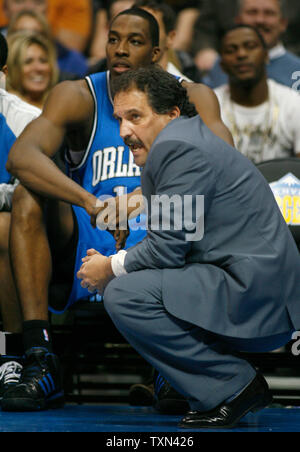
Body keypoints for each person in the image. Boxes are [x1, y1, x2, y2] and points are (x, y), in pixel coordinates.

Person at [1, 7, 233, 412]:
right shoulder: (79, 95)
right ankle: (40, 358)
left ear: (157, 53)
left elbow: (226, 165)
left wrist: (140, 202)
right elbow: (21, 156)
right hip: (90, 237)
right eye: (113, 38)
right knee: (26, 196)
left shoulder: (192, 97)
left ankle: (176, 365)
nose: (120, 49)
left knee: (197, 210)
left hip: (162, 232)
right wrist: (92, 204)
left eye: (135, 41)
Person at [77, 64, 300, 429]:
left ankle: (235, 385)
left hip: (256, 293)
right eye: (119, 118)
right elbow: (179, 230)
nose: (123, 132)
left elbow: (166, 251)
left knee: (124, 293)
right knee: (135, 282)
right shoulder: (185, 140)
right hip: (249, 282)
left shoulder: (177, 149)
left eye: (135, 116)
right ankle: (206, 384)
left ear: (171, 113)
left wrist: (110, 266)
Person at [0, 33, 40, 400]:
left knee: (2, 226)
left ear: (3, 72)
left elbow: (39, 191)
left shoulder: (26, 121)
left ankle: (10, 355)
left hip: (23, 236)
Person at [214, 25, 300, 164]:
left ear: (266, 55)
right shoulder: (210, 105)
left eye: (251, 46)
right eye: (231, 50)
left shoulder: (293, 103)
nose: (241, 54)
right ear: (221, 64)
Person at [203, 0, 300, 89]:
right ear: (238, 20)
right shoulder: (222, 64)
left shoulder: (297, 70)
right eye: (252, 12)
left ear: (283, 23)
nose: (260, 20)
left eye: (269, 13)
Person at [6, 31, 59, 109]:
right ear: (11, 68)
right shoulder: (4, 108)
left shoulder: (62, 105)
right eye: (28, 62)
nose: (39, 68)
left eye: (43, 61)